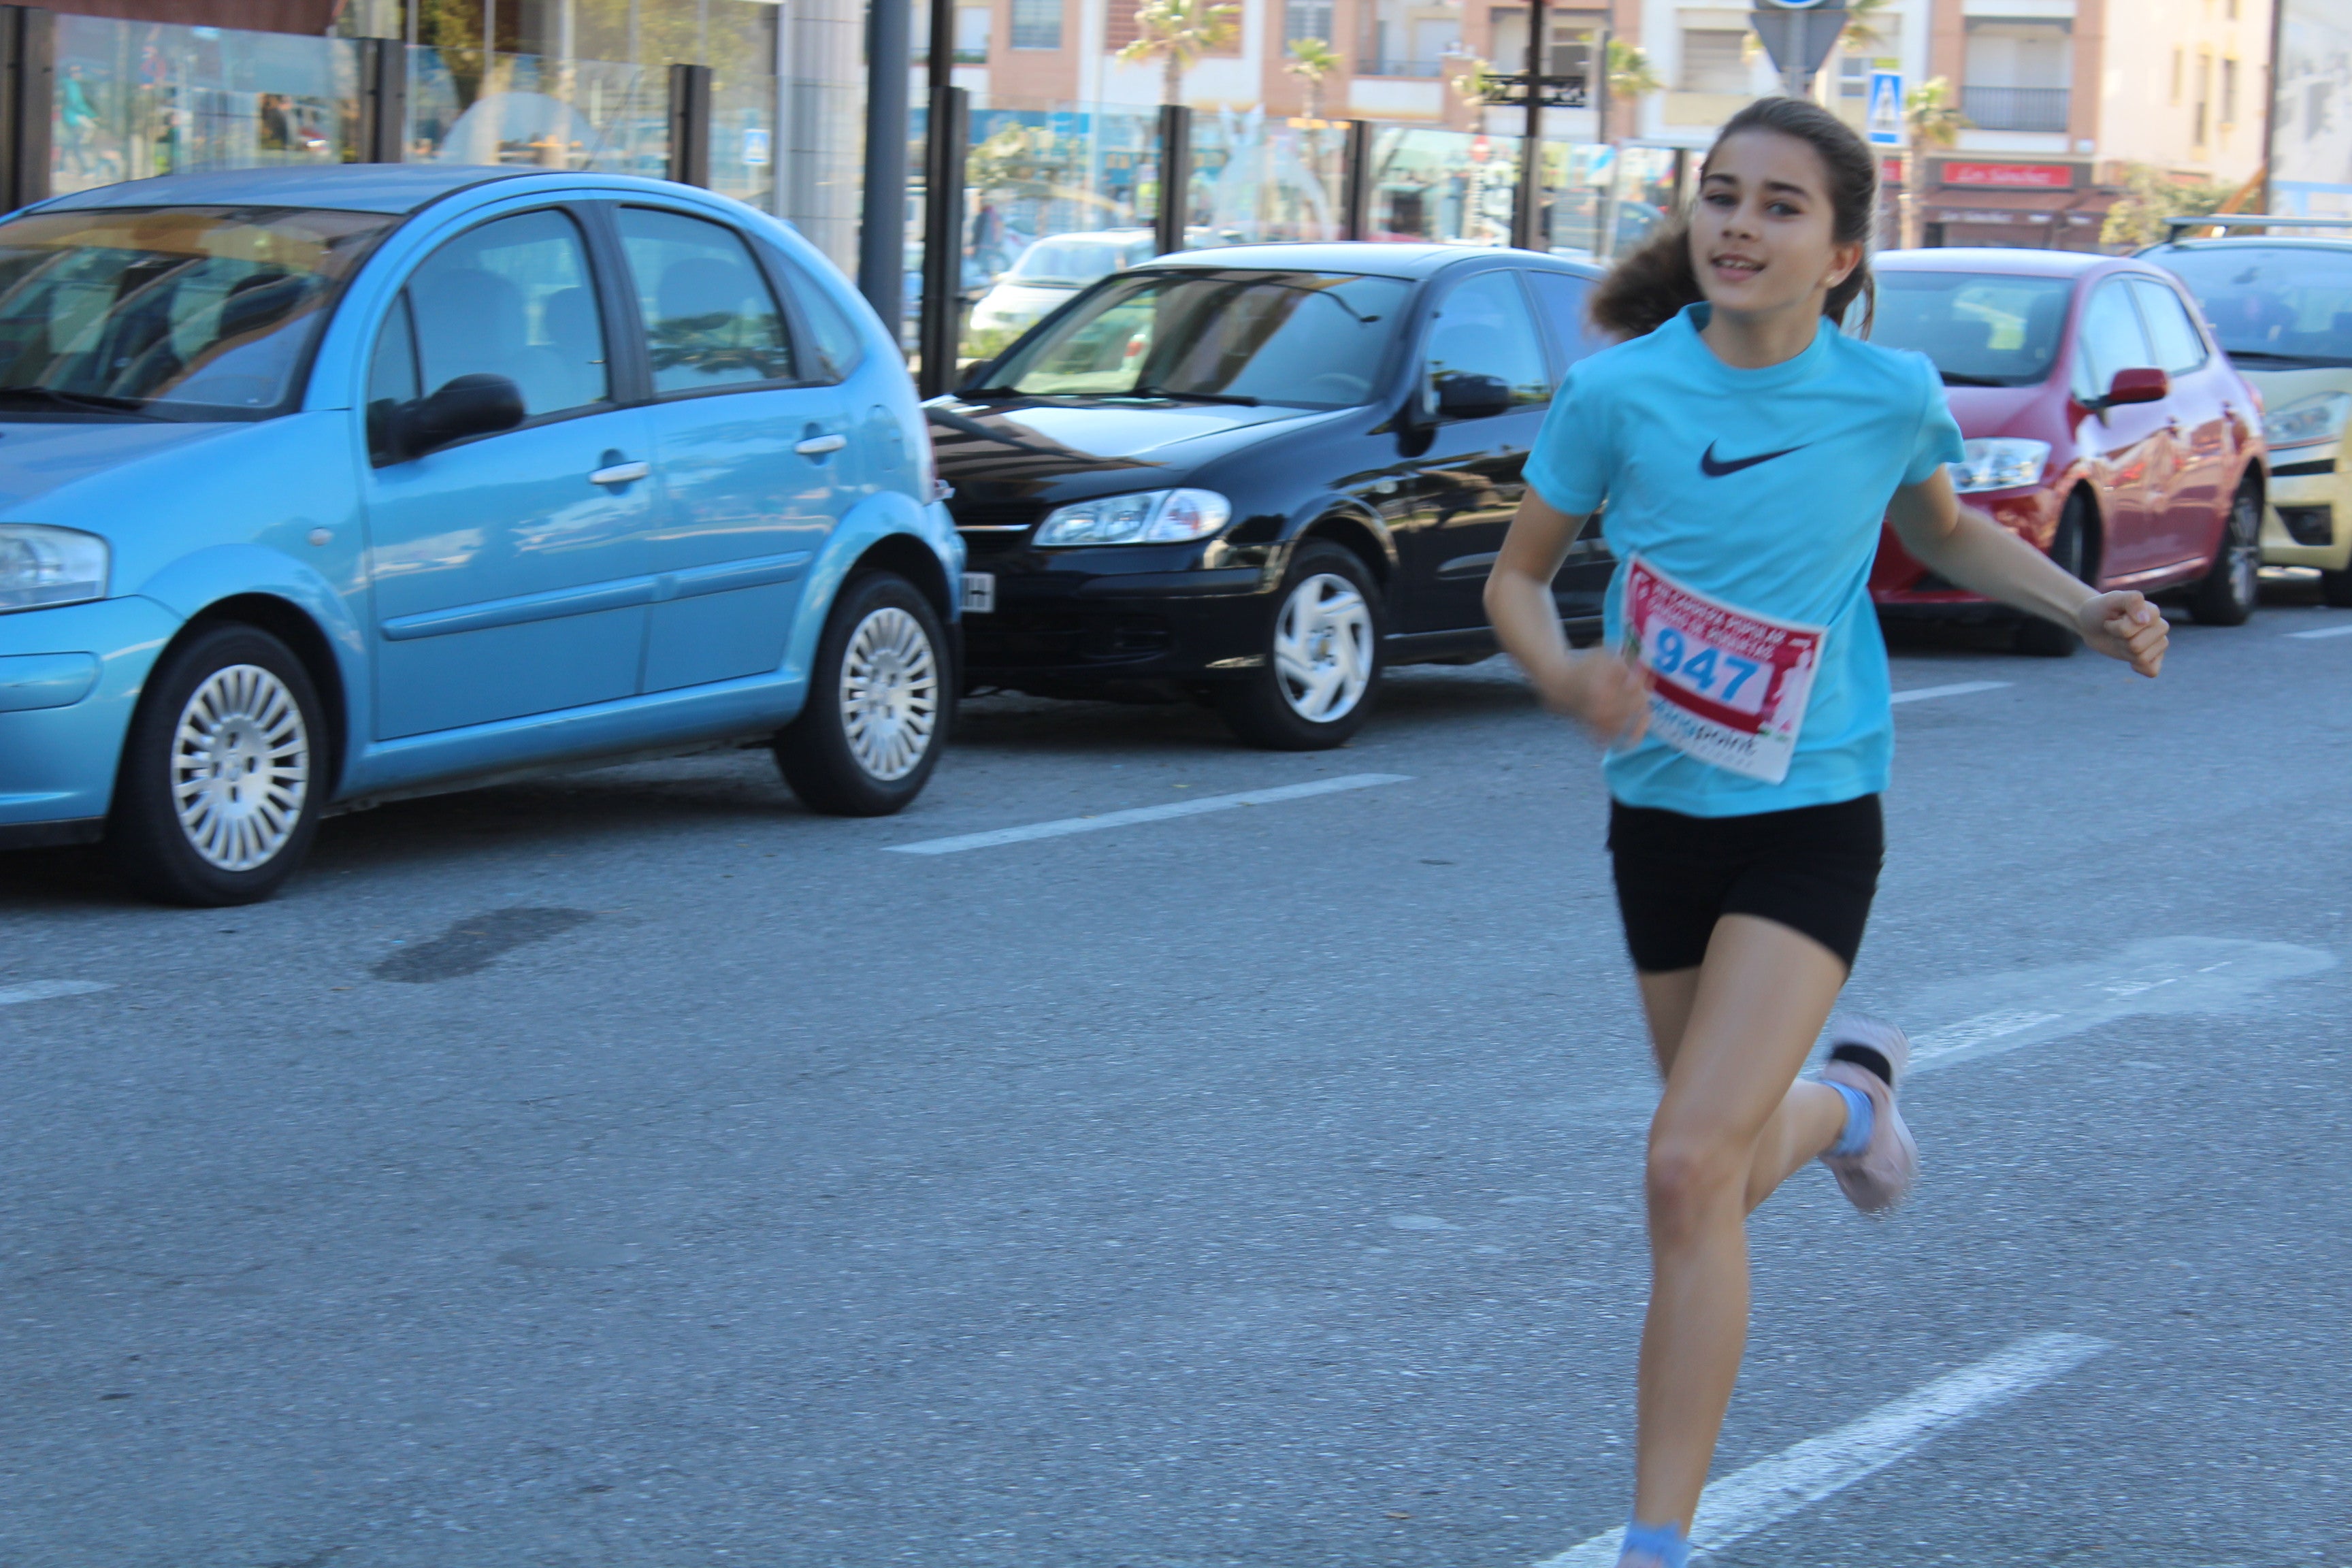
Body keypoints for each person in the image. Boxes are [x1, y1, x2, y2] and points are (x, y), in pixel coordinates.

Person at [1482, 97, 2168, 1568]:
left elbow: (1940, 530)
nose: (1737, 224)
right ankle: (1853, 1105)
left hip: (1817, 811)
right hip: (1660, 819)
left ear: (1843, 249)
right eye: (1720, 196)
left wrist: (2085, 605)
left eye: (1780, 205)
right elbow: (1517, 579)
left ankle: (1655, 1543)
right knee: (1717, 1168)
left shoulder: (1887, 392)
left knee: (1680, 1169)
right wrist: (1563, 672)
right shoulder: (1619, 394)